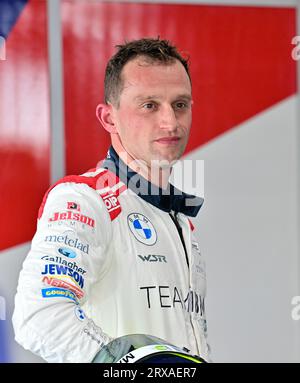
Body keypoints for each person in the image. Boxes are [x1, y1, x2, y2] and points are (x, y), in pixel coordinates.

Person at [12, 37, 210, 363]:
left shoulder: (180, 222)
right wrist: (137, 365)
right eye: (149, 105)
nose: (170, 122)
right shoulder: (85, 199)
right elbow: (39, 314)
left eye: (180, 104)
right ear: (109, 118)